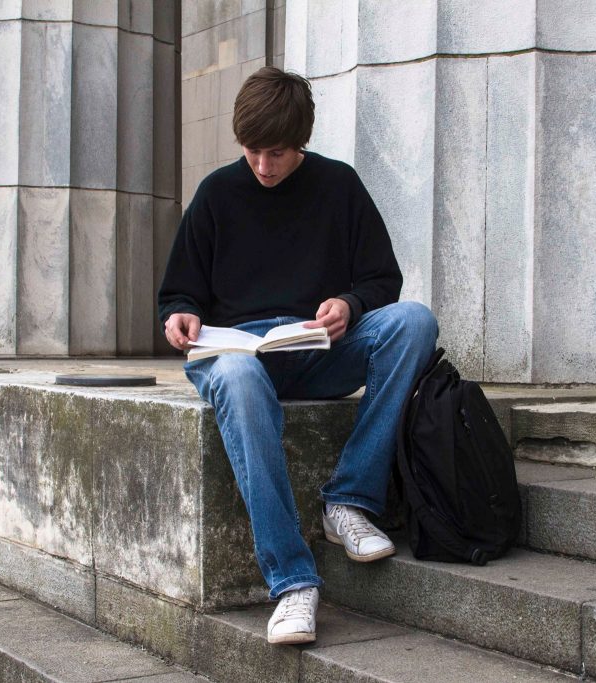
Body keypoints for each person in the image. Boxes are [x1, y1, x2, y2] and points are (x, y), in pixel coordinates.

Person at [158, 66, 437, 645]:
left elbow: (383, 279)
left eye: (277, 153)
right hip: (236, 353)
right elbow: (179, 292)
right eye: (252, 151)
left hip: (314, 346)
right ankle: (292, 583)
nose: (263, 166)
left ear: (302, 141)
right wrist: (180, 315)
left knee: (413, 322)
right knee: (235, 373)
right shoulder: (215, 193)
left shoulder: (339, 186)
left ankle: (350, 500)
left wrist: (350, 303)